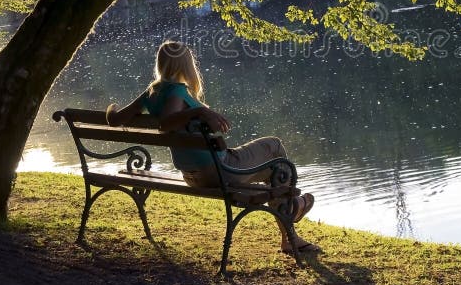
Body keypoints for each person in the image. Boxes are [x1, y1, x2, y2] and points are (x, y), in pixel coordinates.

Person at [106, 40, 320, 254]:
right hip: (221, 171)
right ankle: (292, 212)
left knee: (275, 172)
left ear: (160, 64)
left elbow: (115, 120)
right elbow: (166, 123)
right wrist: (199, 112)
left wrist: (113, 108)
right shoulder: (177, 92)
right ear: (186, 65)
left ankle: (290, 226)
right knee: (274, 146)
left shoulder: (151, 93)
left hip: (193, 177)